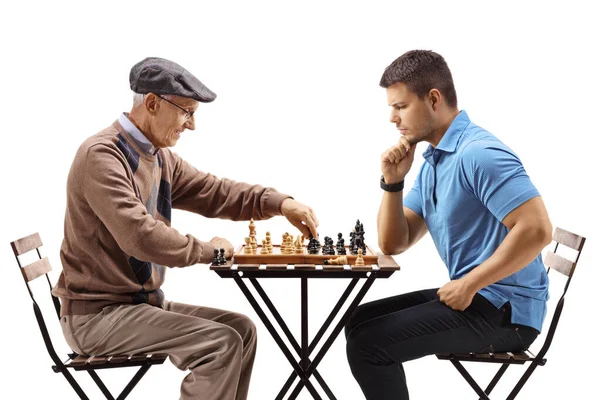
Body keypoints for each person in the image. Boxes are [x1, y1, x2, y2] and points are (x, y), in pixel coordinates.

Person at [52, 57, 319, 400]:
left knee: (241, 330)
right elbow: (140, 237)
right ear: (152, 103)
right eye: (186, 112)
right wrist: (212, 250)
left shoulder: (158, 155)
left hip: (138, 306)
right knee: (220, 344)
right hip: (97, 317)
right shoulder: (102, 155)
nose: (191, 125)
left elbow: (213, 192)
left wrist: (278, 203)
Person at [344, 50, 552, 400]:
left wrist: (469, 283)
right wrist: (393, 182)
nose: (392, 119)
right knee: (359, 322)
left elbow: (537, 229)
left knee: (369, 344)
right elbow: (395, 243)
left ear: (434, 99)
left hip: (506, 314)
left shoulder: (478, 153)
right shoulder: (434, 161)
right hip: (481, 299)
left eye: (400, 106)